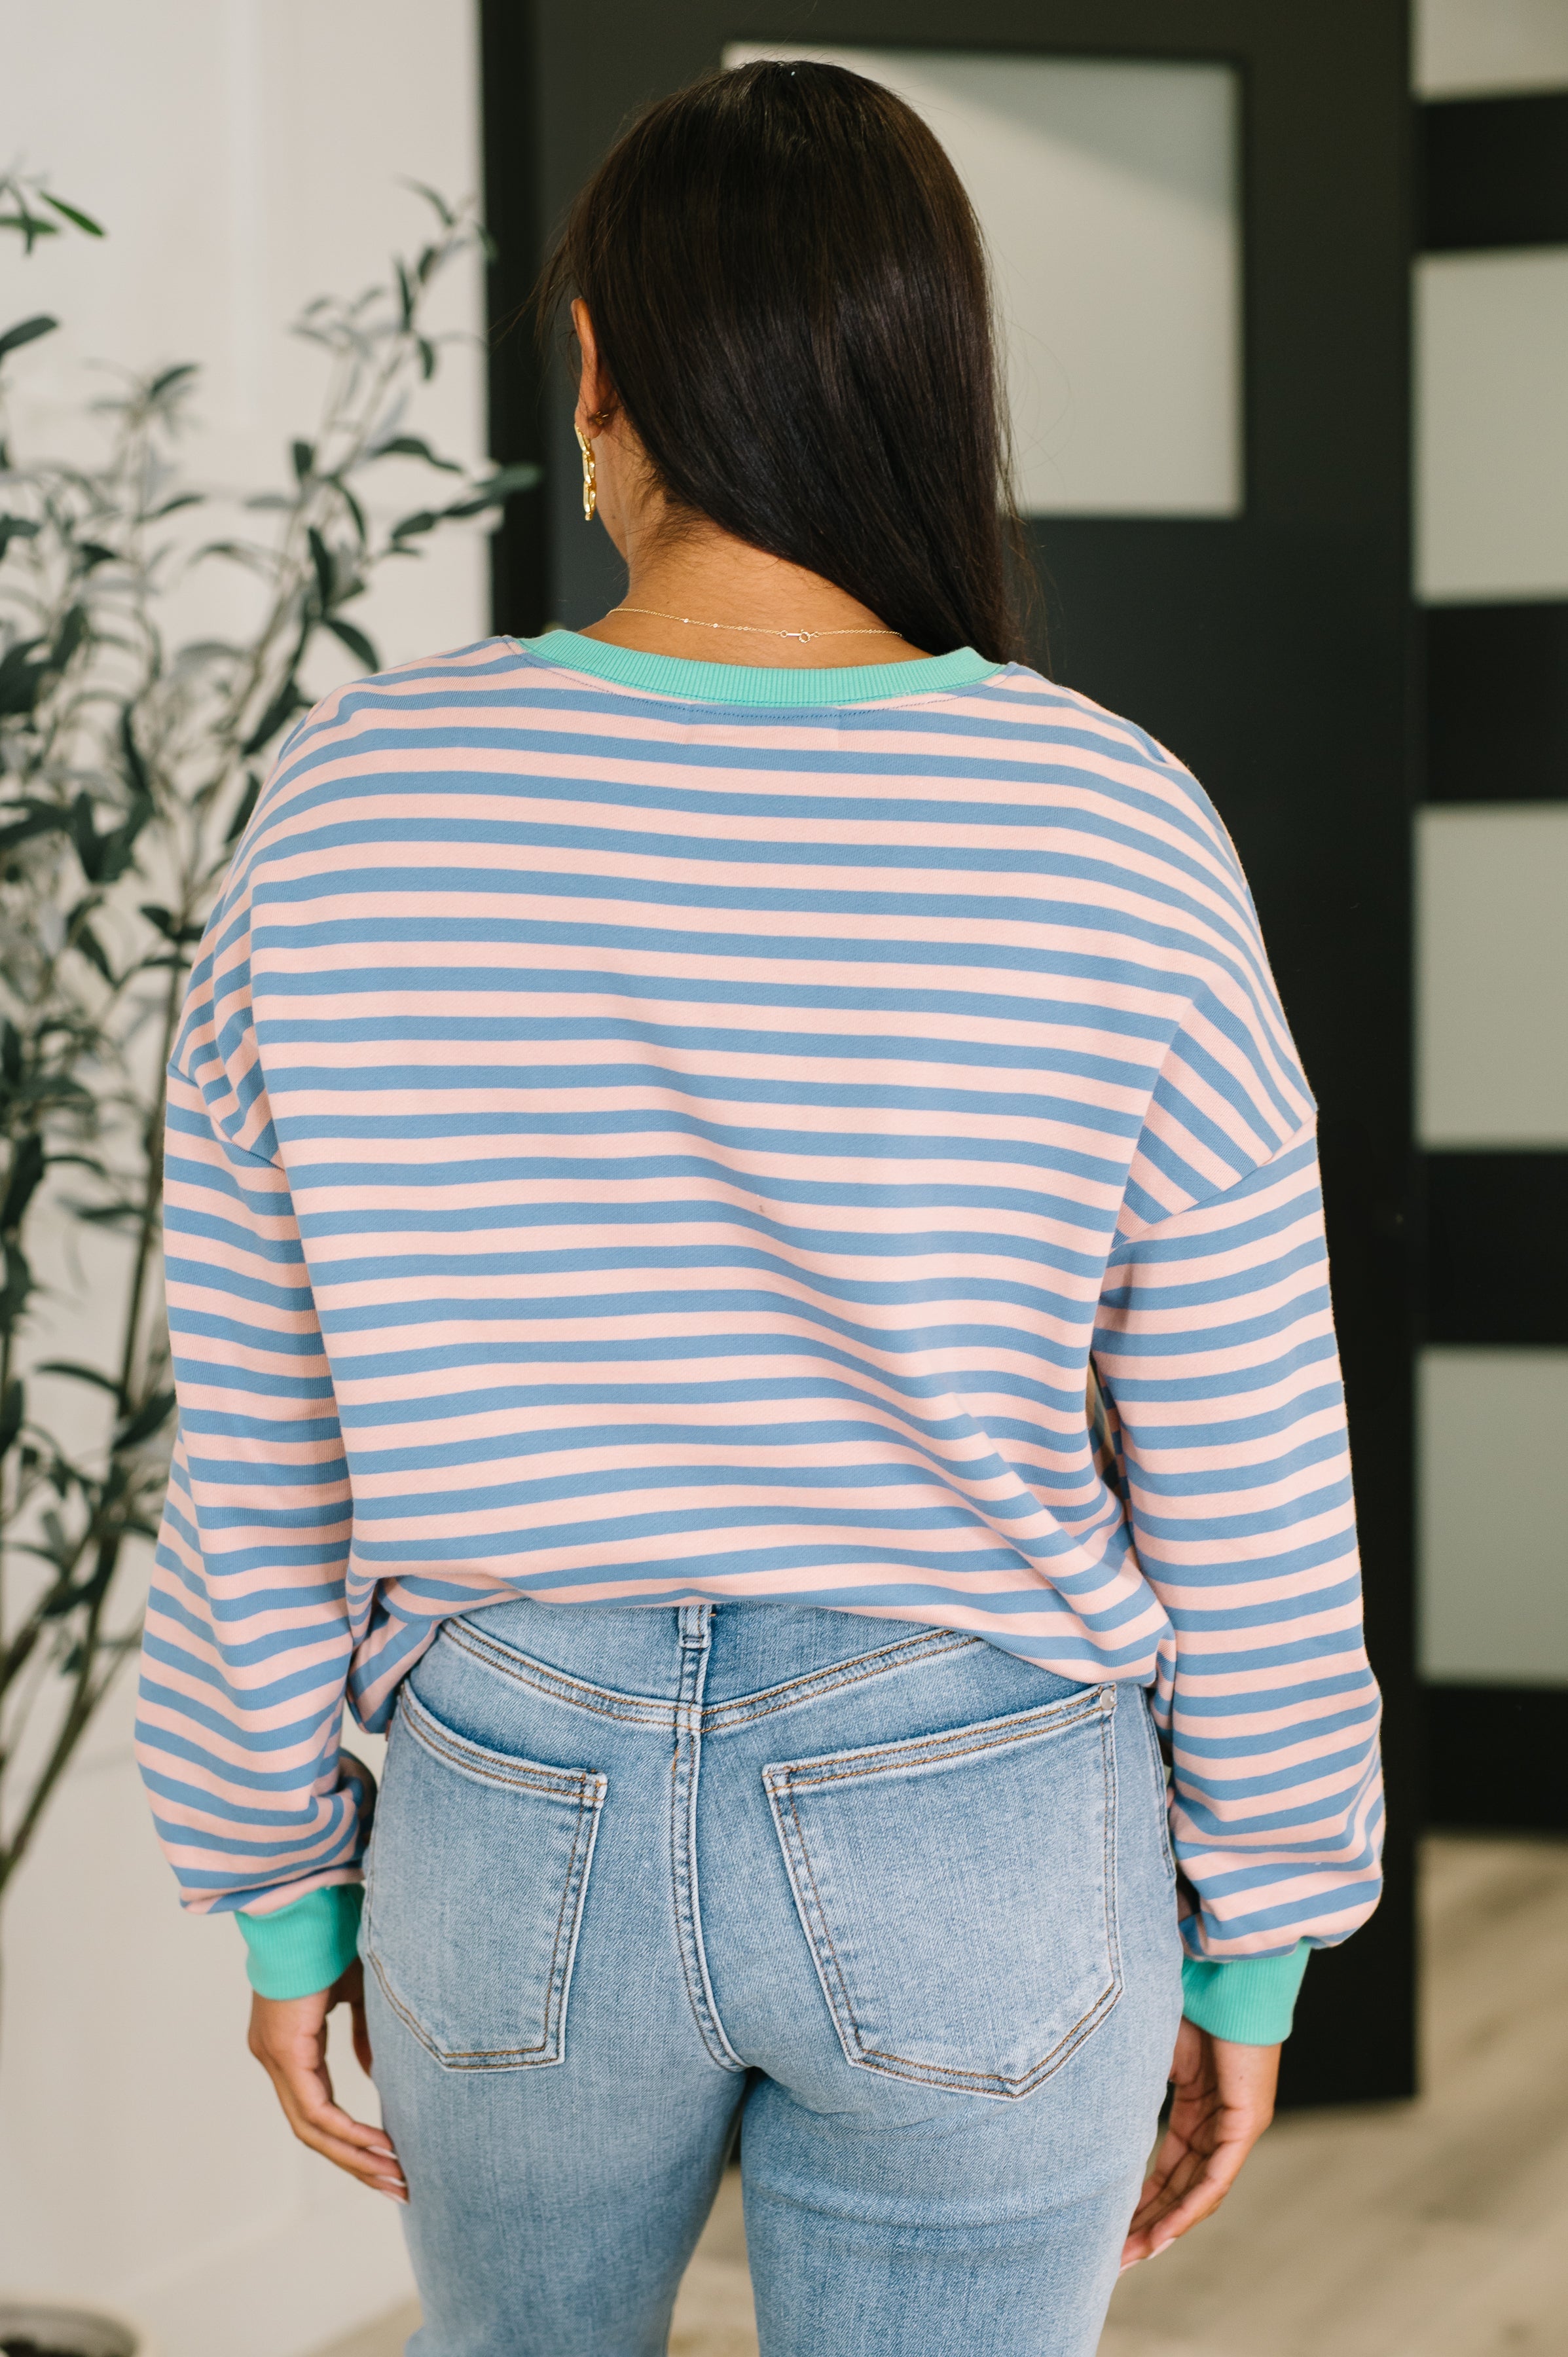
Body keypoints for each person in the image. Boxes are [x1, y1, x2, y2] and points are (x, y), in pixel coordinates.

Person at [137, 59, 1383, 2357]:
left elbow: (260, 1431)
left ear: (602, 366)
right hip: (987, 1819)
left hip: (508, 1806)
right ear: (927, 377)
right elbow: (1246, 1442)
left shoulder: (348, 807)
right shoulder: (1107, 822)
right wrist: (1260, 1928)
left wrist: (282, 1899)